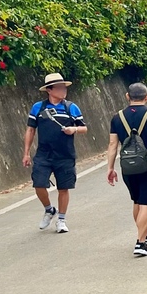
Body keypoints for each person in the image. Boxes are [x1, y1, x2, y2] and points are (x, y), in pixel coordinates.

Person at [106, 83, 147, 256]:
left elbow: (112, 145)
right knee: (146, 203)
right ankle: (141, 243)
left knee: (137, 201)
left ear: (127, 96)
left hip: (127, 167)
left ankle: (145, 234)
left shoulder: (117, 118)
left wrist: (110, 168)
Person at [23, 73, 88, 233]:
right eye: (59, 88)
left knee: (63, 188)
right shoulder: (38, 107)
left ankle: (61, 219)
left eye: (64, 87)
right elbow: (31, 129)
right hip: (43, 154)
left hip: (65, 155)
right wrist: (26, 153)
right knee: (38, 184)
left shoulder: (71, 107)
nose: (63, 90)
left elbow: (84, 128)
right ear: (49, 90)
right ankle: (49, 209)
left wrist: (74, 129)